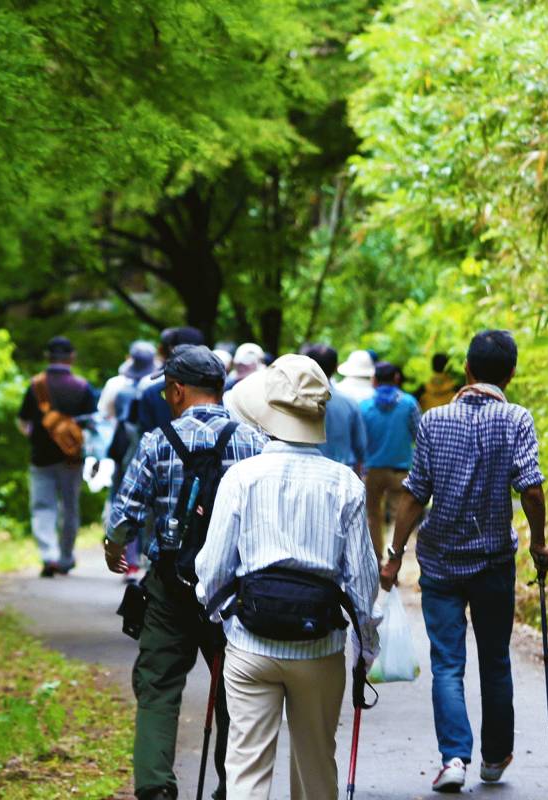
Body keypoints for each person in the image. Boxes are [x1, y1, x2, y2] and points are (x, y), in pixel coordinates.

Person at [196, 354, 380, 800]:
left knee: (246, 769)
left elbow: (212, 568)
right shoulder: (345, 484)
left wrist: (221, 615)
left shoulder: (241, 477)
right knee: (316, 769)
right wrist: (366, 649)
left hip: (250, 642)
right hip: (319, 646)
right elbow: (362, 581)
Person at [379, 329, 548, 792]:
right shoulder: (516, 419)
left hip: (439, 563)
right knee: (495, 660)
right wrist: (539, 543)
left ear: (468, 371)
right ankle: (494, 759)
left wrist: (394, 558)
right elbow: (530, 488)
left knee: (448, 664)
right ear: (510, 373)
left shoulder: (433, 421)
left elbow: (414, 496)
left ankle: (454, 759)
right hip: (493, 561)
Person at [102, 346, 268, 800]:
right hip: (234, 590)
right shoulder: (255, 442)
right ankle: (233, 787)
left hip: (170, 585)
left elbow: (126, 515)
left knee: (157, 685)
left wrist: (113, 549)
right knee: (235, 687)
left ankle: (155, 787)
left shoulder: (157, 442)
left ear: (176, 391)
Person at [18, 336, 98, 577]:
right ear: (71, 357)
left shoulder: (36, 385)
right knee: (70, 508)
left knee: (43, 507)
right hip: (72, 459)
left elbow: (24, 422)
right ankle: (65, 557)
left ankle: (48, 555)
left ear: (47, 356)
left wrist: (37, 435)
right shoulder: (83, 387)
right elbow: (94, 425)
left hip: (40, 457)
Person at [100, 340, 159, 580]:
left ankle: (130, 560)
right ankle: (146, 558)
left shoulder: (119, 389)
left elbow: (106, 415)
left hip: (128, 453)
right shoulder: (156, 389)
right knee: (153, 509)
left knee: (127, 501)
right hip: (159, 454)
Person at [357, 361, 420, 562]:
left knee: (373, 516)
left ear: (374, 381)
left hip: (372, 470)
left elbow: (360, 439)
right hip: (400, 470)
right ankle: (395, 561)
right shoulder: (409, 403)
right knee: (401, 517)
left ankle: (377, 559)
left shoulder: (365, 406)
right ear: (396, 378)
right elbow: (419, 434)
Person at [129, 326, 211, 442]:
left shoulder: (150, 388)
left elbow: (140, 429)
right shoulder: (214, 389)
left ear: (171, 348)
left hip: (159, 453)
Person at [295, 344, 366, 474]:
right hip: (342, 472)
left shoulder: (294, 401)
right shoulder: (350, 403)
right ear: (336, 367)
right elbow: (360, 448)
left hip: (305, 473)